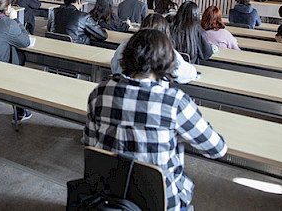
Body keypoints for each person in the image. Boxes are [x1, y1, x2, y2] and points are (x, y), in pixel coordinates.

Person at [85, 29, 227, 211]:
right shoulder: (174, 101)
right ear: (167, 60)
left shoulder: (100, 91)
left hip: (109, 196)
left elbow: (90, 145)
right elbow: (217, 149)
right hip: (162, 202)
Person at [110, 13, 198, 84]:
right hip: (155, 98)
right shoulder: (166, 50)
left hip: (122, 90)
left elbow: (114, 66)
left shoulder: (127, 43)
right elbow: (187, 73)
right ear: (165, 31)